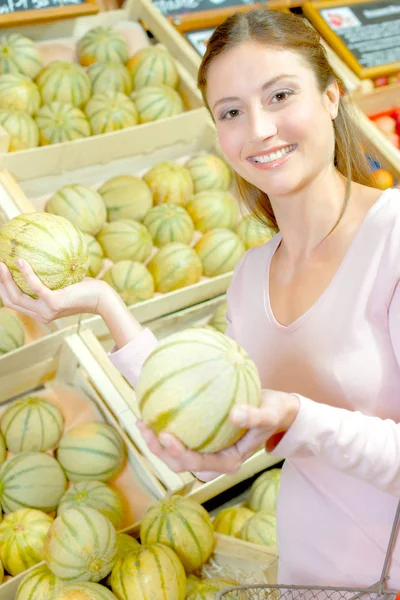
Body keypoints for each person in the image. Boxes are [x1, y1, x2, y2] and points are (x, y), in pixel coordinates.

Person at [1, 7, 400, 590]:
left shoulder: (392, 236)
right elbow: (208, 412)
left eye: (281, 95)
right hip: (310, 574)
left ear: (333, 98)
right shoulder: (252, 274)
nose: (259, 129)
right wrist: (104, 304)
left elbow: (303, 424)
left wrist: (297, 418)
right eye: (232, 112)